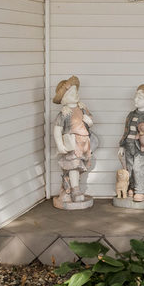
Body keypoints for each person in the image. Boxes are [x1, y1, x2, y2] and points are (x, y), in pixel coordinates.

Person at [51, 76, 94, 206]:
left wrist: (89, 122)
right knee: (73, 165)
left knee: (79, 166)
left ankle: (69, 188)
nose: (75, 94)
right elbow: (57, 130)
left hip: (84, 142)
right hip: (72, 142)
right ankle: (74, 190)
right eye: (70, 93)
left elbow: (89, 121)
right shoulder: (65, 113)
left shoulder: (82, 108)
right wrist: (60, 145)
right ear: (64, 98)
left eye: (76, 91)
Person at [118, 84, 144, 202]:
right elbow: (126, 131)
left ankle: (141, 191)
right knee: (130, 168)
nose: (136, 100)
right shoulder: (131, 115)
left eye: (139, 98)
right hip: (129, 145)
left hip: (141, 148)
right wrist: (122, 145)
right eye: (136, 97)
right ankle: (132, 188)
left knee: (139, 168)